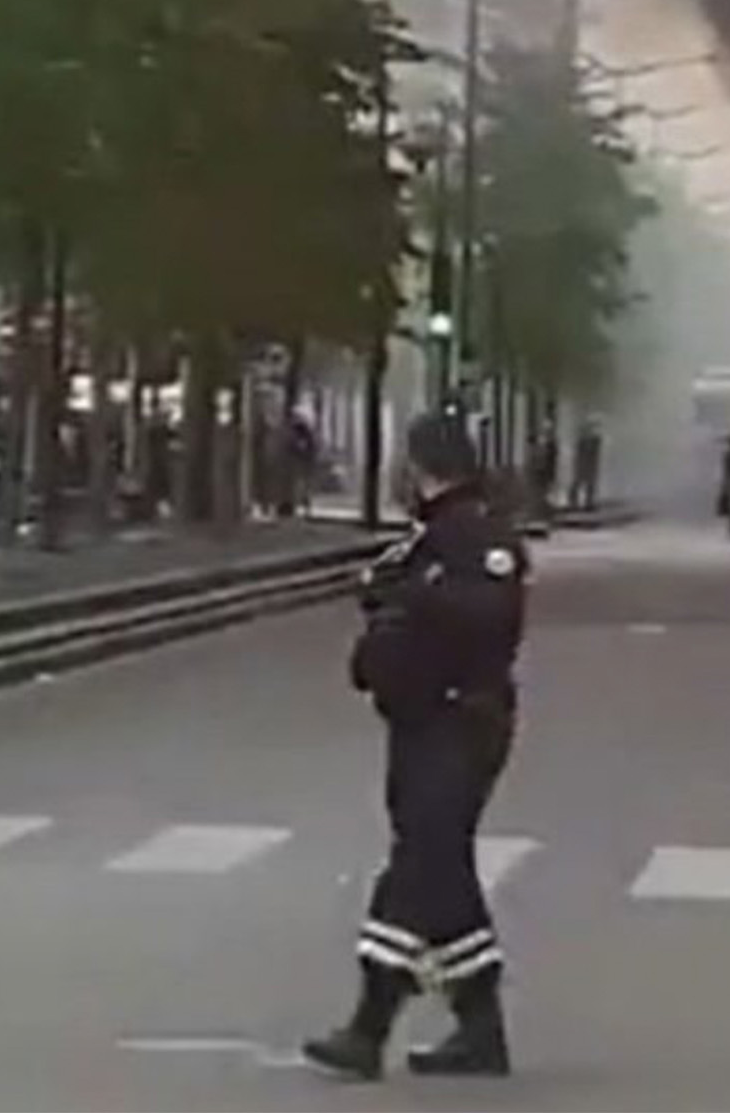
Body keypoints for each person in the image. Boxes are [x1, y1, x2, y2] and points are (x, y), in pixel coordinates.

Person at [304, 411, 529, 1082]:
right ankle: (481, 1030)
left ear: (424, 465)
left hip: (461, 720)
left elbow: (489, 614)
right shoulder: (427, 539)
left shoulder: (479, 537)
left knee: (417, 868)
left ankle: (368, 1027)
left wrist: (413, 599)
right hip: (421, 722)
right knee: (443, 874)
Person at [570, 420, 601, 513]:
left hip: (588, 464)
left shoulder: (594, 441)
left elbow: (594, 452)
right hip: (584, 463)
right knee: (580, 482)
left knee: (588, 483)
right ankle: (575, 503)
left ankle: (586, 503)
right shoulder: (584, 441)